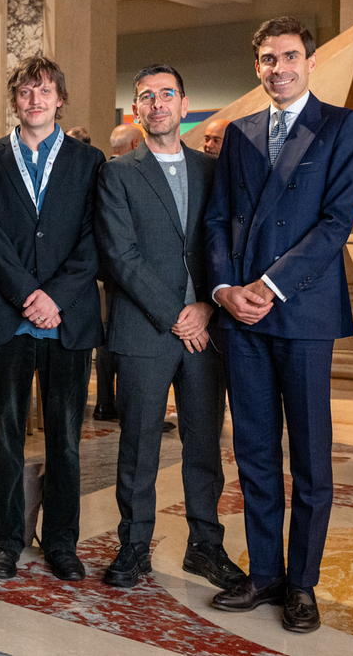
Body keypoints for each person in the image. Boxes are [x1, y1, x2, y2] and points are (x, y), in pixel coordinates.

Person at [205, 17, 353, 633]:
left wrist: (269, 286)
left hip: (301, 312)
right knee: (254, 452)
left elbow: (336, 222)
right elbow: (217, 219)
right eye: (269, 59)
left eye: (291, 56)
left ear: (311, 62)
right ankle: (265, 573)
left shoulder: (342, 126)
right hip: (241, 317)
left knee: (311, 459)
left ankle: (302, 584)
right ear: (258, 68)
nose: (280, 68)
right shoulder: (240, 133)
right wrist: (224, 289)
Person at [95, 64, 245, 590]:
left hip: (206, 332)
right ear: (137, 110)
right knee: (138, 446)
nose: (157, 104)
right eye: (146, 96)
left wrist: (206, 307)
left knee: (204, 445)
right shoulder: (117, 173)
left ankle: (205, 546)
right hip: (145, 330)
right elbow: (121, 255)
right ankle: (134, 546)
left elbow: (227, 246)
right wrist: (179, 314)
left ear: (184, 104)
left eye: (167, 94)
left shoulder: (212, 171)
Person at [0, 56, 104, 582]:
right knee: (5, 436)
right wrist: (29, 295)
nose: (35, 100)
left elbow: (95, 238)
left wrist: (55, 298)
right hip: (9, 316)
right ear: (14, 100)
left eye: (44, 91)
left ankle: (62, 542)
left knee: (65, 439)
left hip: (68, 319)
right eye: (25, 91)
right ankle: (5, 540)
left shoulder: (89, 161)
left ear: (59, 99)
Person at [95, 123, 145, 423]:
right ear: (136, 143)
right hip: (127, 270)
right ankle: (123, 408)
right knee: (122, 338)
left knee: (109, 333)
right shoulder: (123, 173)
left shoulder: (100, 170)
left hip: (108, 271)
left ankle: (105, 402)